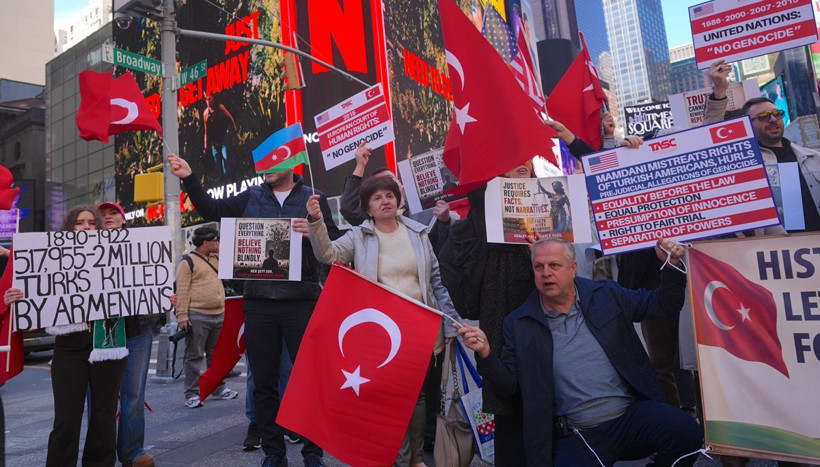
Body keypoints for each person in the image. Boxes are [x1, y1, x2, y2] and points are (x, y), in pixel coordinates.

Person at [457, 236, 702, 466]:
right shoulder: (519, 322)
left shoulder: (606, 294)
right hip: (579, 435)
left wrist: (671, 266)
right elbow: (509, 387)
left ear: (573, 268)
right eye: (539, 267)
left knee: (687, 433)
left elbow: (664, 305)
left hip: (629, 418)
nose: (546, 273)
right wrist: (486, 354)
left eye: (554, 265)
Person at [168, 153, 339, 467]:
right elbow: (212, 210)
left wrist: (314, 227)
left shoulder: (312, 198)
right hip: (258, 304)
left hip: (301, 302)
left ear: (293, 165)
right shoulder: (252, 196)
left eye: (275, 163)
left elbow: (333, 249)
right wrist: (190, 178)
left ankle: (313, 453)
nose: (267, 170)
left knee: (308, 379)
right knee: (263, 381)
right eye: (264, 164)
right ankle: (274, 453)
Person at [305, 175, 460, 467]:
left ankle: (415, 459)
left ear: (398, 200)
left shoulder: (419, 233)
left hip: (420, 328)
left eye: (389, 195)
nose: (385, 201)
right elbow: (327, 255)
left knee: (417, 399)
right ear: (368, 208)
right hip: (382, 332)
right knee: (389, 398)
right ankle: (399, 458)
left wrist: (450, 322)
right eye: (377, 198)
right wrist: (316, 223)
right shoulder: (358, 236)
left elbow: (436, 283)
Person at [4, 206, 128, 467]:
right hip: (68, 348)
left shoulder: (118, 257)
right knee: (66, 420)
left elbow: (137, 292)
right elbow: (35, 291)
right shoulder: (50, 258)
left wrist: (162, 297)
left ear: (99, 228)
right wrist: (14, 298)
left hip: (106, 343)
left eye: (92, 223)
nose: (86, 227)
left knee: (104, 415)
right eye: (79, 223)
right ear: (69, 228)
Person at [705, 59, 820, 232]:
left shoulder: (813, 158)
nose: (773, 119)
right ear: (747, 125)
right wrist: (720, 89)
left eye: (776, 114)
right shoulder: (743, 163)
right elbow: (710, 139)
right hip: (776, 253)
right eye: (764, 116)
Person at [96, 201, 157, 467]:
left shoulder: (140, 247)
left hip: (136, 330)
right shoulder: (78, 252)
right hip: (98, 335)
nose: (108, 218)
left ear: (124, 220)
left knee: (133, 394)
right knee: (100, 398)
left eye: (113, 214)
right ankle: (101, 455)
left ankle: (132, 453)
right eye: (103, 215)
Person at [339, 143, 454, 253]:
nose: (386, 184)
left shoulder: (425, 209)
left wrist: (445, 221)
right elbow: (349, 209)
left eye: (389, 178)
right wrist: (360, 165)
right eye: (380, 183)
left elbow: (442, 246)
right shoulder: (373, 218)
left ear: (400, 183)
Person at [176, 226, 239, 408]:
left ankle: (218, 387)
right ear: (205, 242)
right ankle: (192, 394)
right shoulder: (187, 262)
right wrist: (182, 316)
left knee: (216, 356)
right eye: (215, 241)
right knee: (194, 356)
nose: (218, 243)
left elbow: (228, 277)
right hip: (197, 315)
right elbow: (182, 290)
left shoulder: (216, 258)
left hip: (219, 313)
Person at [203, 94, 242, 176]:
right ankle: (224, 180)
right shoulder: (206, 114)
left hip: (223, 139)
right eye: (206, 99)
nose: (208, 101)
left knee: (226, 164)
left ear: (213, 98)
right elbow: (206, 131)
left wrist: (237, 133)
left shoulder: (220, 107)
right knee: (219, 167)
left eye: (209, 99)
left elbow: (231, 118)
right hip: (215, 143)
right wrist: (205, 146)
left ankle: (230, 178)